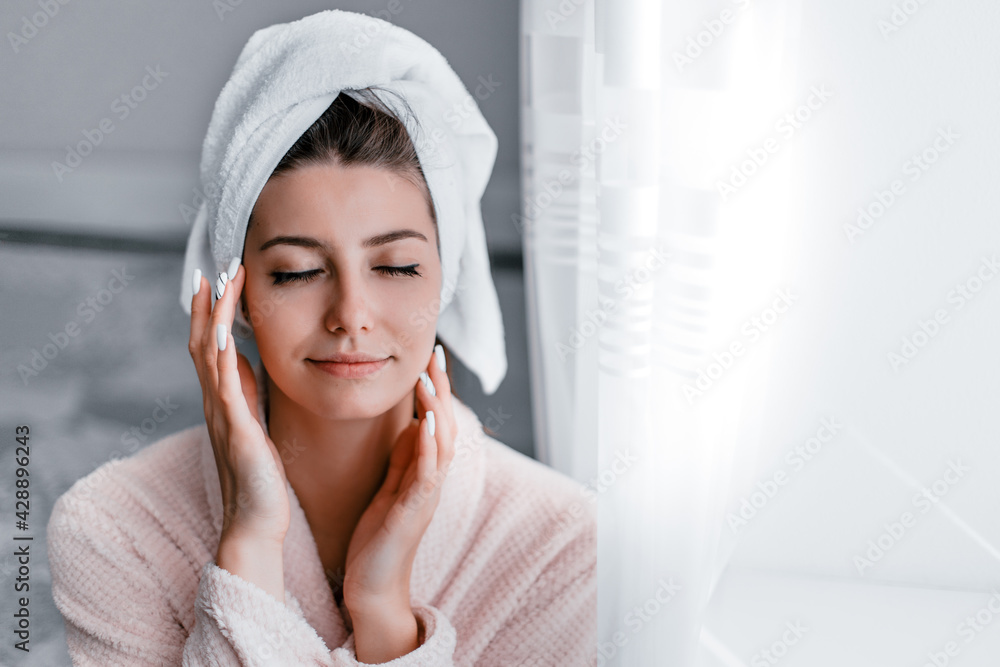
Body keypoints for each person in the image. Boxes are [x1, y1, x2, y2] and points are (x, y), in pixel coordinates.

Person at [46, 12, 596, 665]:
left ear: (445, 279)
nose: (351, 314)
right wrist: (249, 542)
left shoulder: (559, 542)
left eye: (397, 266)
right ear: (234, 296)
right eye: (298, 271)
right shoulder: (113, 530)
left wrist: (384, 612)